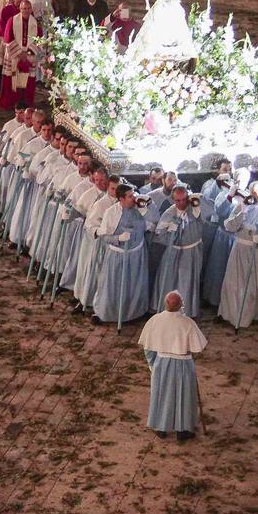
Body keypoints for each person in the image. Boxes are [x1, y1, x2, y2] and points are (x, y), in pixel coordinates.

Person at [137, 292, 208, 441]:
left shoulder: (155, 320)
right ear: (181, 305)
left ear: (165, 304)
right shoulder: (187, 323)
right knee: (184, 396)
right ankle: (182, 430)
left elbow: (148, 348)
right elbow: (197, 348)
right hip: (183, 362)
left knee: (162, 395)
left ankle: (161, 427)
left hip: (162, 363)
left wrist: (152, 364)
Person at [218, 183, 258, 329]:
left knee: (255, 285)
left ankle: (252, 316)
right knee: (234, 284)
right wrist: (243, 213)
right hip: (239, 250)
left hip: (257, 252)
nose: (255, 195)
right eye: (253, 192)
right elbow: (229, 226)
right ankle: (232, 315)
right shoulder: (242, 206)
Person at [92, 184, 151, 325]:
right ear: (121, 199)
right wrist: (118, 238)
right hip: (117, 256)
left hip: (136, 254)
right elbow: (104, 236)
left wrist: (147, 211)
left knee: (134, 285)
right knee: (113, 285)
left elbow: (153, 223)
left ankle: (134, 313)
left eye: (133, 195)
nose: (133, 198)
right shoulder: (111, 213)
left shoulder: (140, 209)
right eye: (130, 196)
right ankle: (108, 313)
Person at [149, 186, 206, 317]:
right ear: (173, 200)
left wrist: (198, 203)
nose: (181, 203)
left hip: (191, 251)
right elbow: (159, 235)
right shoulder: (169, 213)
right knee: (169, 279)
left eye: (184, 199)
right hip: (173, 252)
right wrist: (169, 230)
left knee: (187, 281)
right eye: (178, 200)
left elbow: (210, 215)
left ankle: (187, 310)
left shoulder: (195, 208)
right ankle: (167, 307)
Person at [0, 0, 40, 109]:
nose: (26, 11)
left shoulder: (35, 22)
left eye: (28, 8)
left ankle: (26, 104)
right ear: (20, 9)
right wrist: (19, 53)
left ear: (31, 9)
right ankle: (11, 103)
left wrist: (27, 53)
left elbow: (39, 39)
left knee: (28, 82)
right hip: (14, 55)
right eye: (23, 8)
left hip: (29, 56)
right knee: (12, 79)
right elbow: (8, 38)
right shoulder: (12, 20)